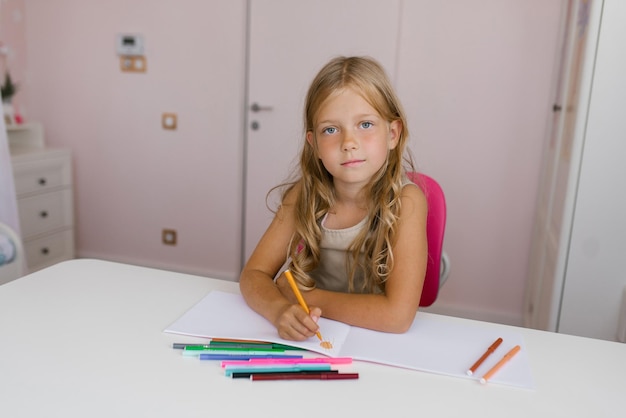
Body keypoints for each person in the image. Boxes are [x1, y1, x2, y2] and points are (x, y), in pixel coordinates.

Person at [239, 56, 428, 341]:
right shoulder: (305, 194)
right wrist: (280, 310)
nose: (348, 143)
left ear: (392, 134)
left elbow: (398, 317)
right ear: (314, 144)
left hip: (377, 342)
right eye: (331, 129)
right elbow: (253, 274)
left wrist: (306, 297)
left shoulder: (407, 202)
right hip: (315, 339)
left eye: (365, 125)